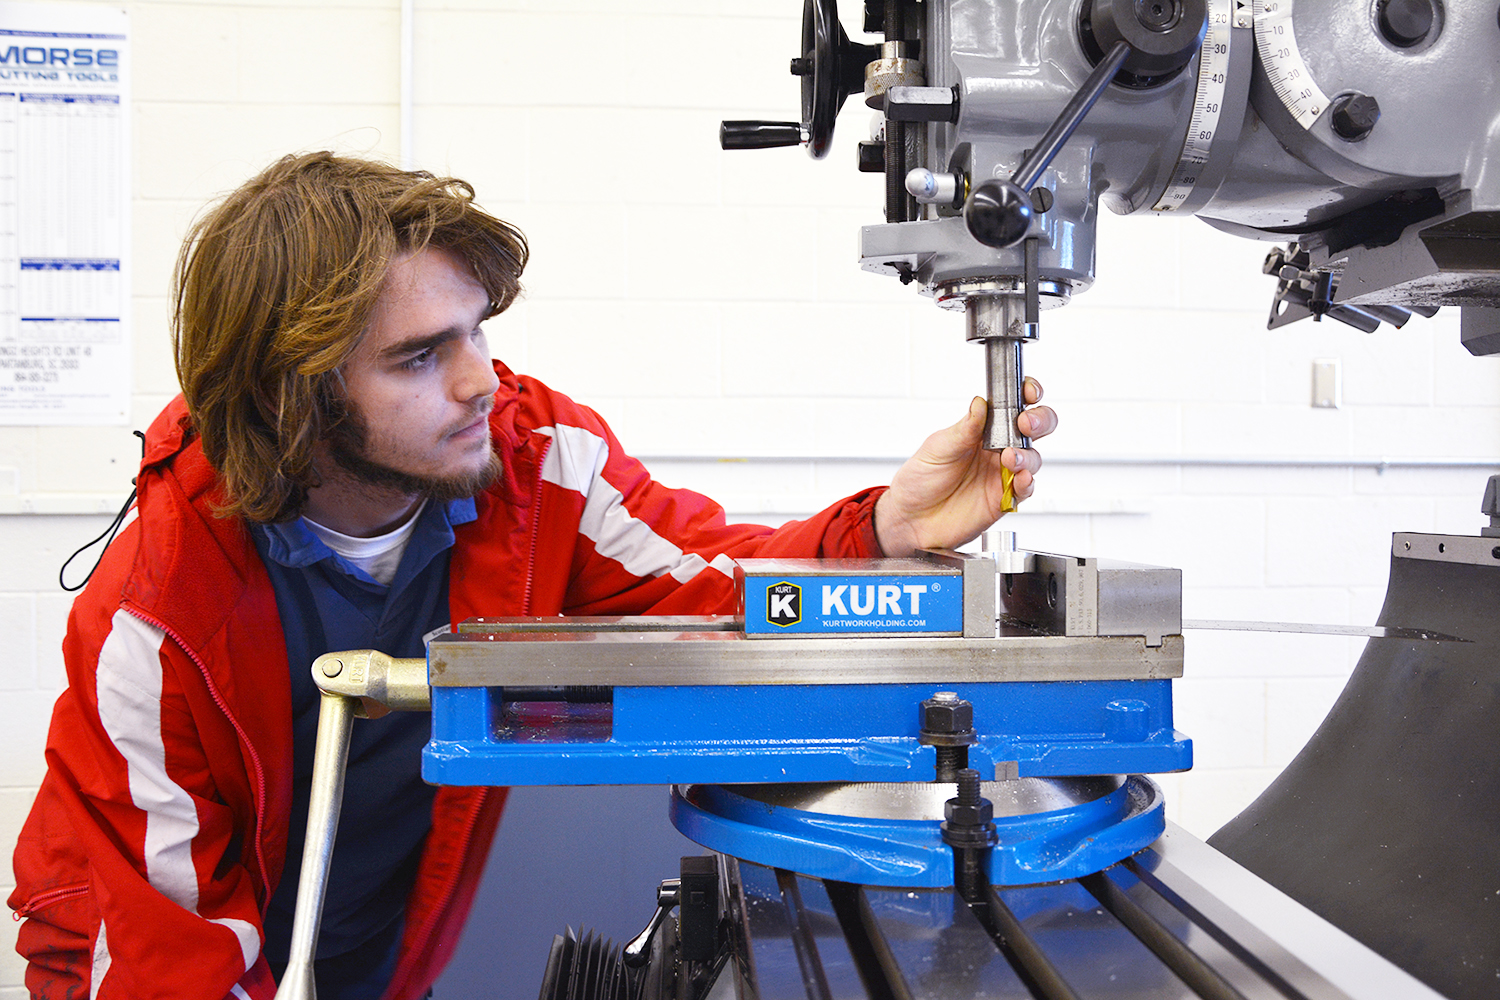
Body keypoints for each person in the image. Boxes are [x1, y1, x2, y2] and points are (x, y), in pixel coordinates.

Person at [8, 152, 1056, 1000]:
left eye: (478, 333)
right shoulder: (156, 607)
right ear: (297, 398)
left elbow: (709, 578)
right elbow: (158, 952)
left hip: (374, 953)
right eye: (421, 356)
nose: (479, 381)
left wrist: (881, 529)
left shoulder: (531, 455)